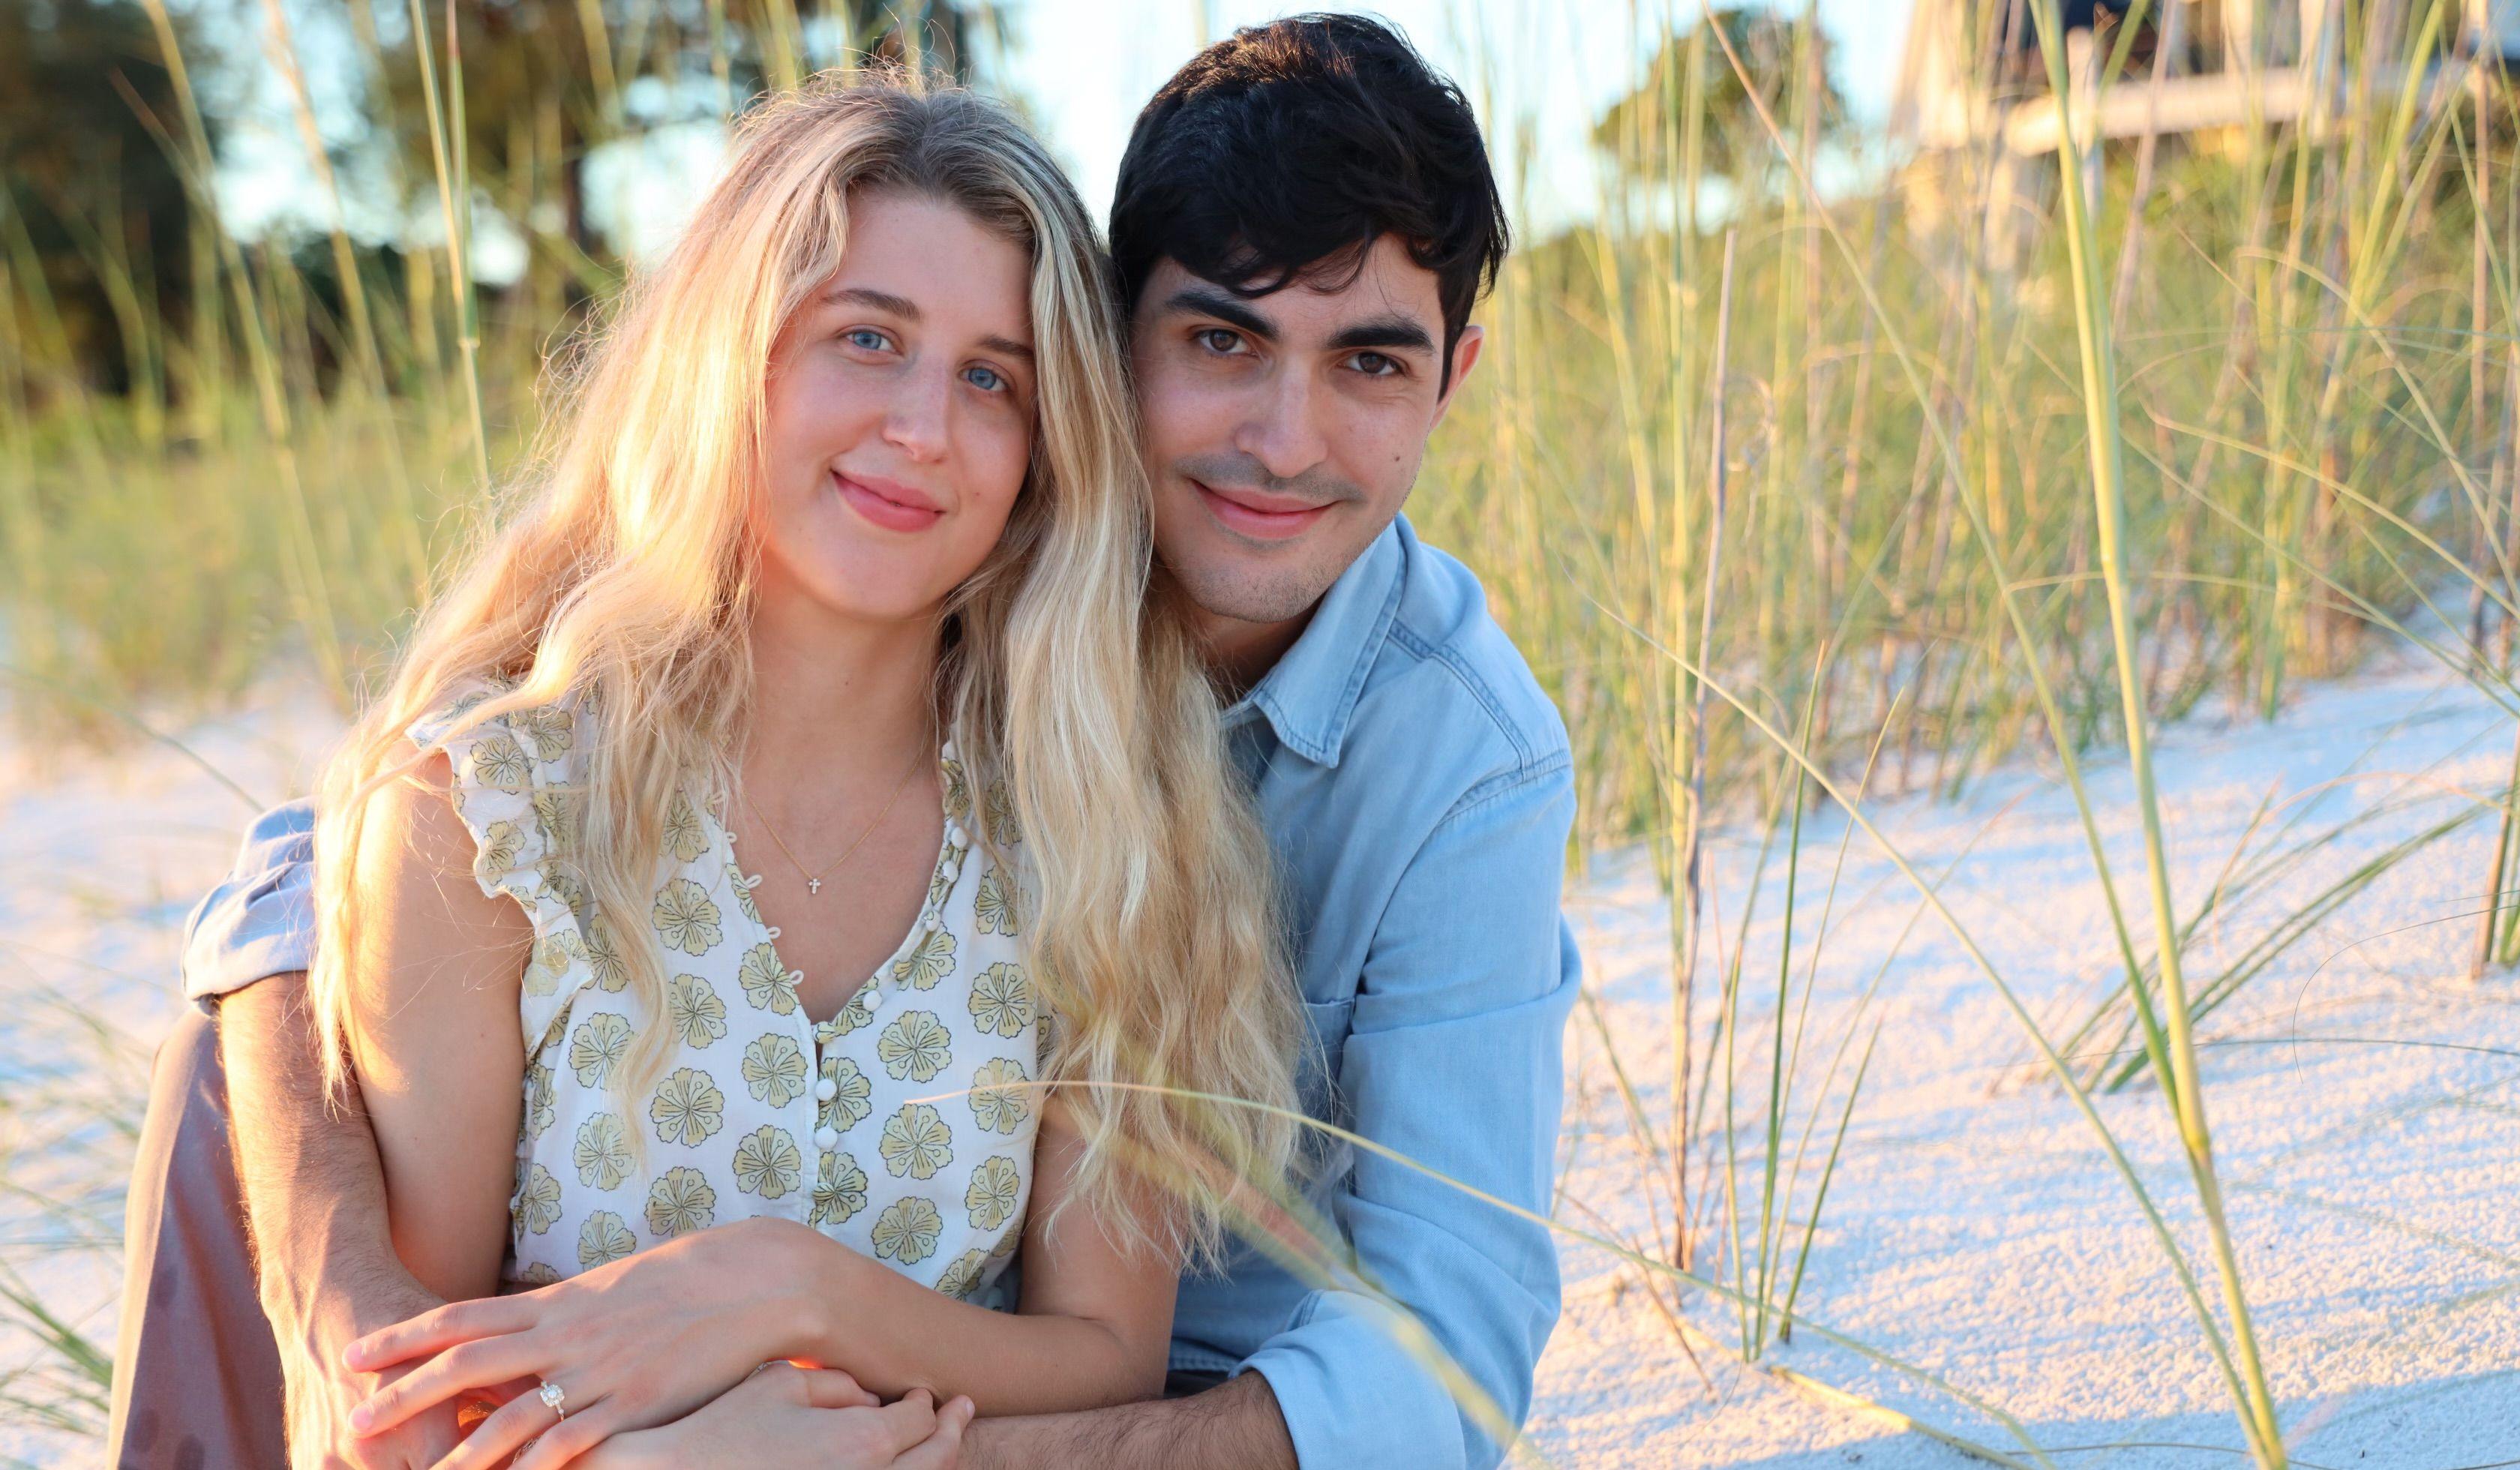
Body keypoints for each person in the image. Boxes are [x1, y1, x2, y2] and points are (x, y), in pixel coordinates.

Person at [107, 15, 1580, 1470]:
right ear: (1116, 356)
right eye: (1222, 340)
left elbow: (1426, 1353)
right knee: (222, 1079)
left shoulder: (1214, 807)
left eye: (992, 376)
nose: (1285, 438)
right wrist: (355, 1293)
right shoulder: (507, 794)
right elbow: (412, 1375)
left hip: (1126, 1435)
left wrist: (804, 1334)